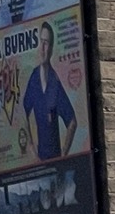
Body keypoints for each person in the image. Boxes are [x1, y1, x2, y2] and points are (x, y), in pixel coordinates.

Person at [23, 23, 78, 161]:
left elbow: (72, 122)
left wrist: (63, 154)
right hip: (39, 160)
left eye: (46, 43)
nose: (42, 48)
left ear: (51, 49)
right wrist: (31, 147)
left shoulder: (55, 83)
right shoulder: (34, 77)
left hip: (54, 161)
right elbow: (23, 111)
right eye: (41, 42)